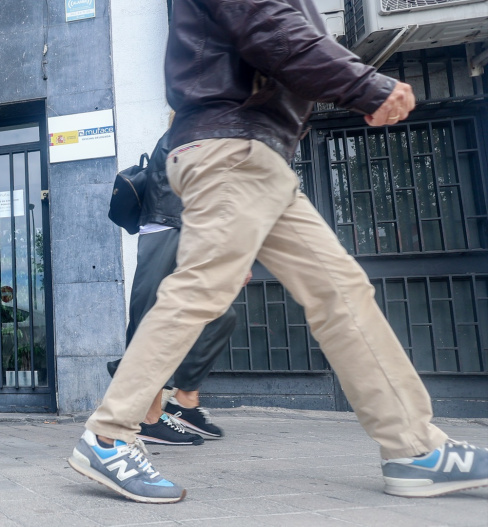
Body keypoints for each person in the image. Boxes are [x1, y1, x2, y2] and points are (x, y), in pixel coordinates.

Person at [69, 0, 488, 504]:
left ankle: (415, 450)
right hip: (230, 146)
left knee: (340, 291)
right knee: (202, 287)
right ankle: (110, 433)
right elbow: (275, 31)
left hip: (261, 156)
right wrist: (367, 87)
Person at [106, 130, 242, 445]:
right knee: (151, 320)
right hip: (165, 229)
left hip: (189, 235)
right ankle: (148, 418)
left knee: (220, 315)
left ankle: (183, 400)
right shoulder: (189, 130)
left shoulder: (209, 128)